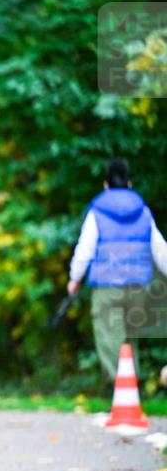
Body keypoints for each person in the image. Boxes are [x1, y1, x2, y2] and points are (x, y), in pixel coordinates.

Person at [67, 157, 167, 380]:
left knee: (109, 338)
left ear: (105, 185)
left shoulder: (97, 212)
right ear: (129, 184)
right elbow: (160, 250)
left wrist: (75, 279)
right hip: (138, 286)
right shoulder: (144, 212)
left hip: (107, 286)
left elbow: (85, 249)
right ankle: (133, 395)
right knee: (130, 340)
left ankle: (120, 394)